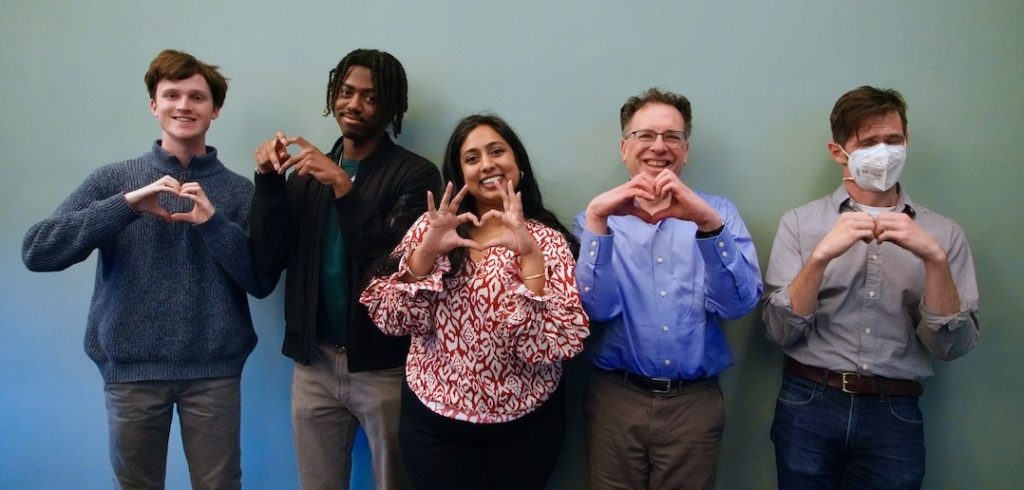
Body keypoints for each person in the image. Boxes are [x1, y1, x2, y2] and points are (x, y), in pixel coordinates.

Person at [22, 49, 270, 489]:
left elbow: (259, 280)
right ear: (154, 105)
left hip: (213, 372)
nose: (183, 106)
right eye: (171, 95)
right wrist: (125, 207)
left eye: (196, 97)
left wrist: (213, 224)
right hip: (131, 371)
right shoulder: (113, 180)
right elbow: (38, 251)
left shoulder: (238, 191)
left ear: (215, 109)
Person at [762, 86, 980, 489]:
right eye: (868, 143)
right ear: (838, 151)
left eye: (893, 141)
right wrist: (820, 258)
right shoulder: (800, 223)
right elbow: (780, 331)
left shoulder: (943, 234)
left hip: (894, 410)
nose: (884, 153)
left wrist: (935, 260)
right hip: (809, 398)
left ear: (907, 141)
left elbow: (953, 347)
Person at [360, 114, 590, 490]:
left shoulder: (547, 240)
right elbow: (391, 319)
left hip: (524, 427)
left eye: (497, 151)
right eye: (472, 158)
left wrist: (530, 260)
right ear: (459, 173)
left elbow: (552, 345)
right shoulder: (432, 227)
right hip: (435, 424)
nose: (487, 164)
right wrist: (426, 252)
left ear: (518, 163)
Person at [250, 48, 439, 489]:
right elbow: (267, 261)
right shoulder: (305, 174)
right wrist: (269, 183)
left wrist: (342, 185)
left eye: (370, 97)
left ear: (390, 107)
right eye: (346, 92)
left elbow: (389, 267)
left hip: (384, 367)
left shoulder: (416, 175)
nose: (354, 104)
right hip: (313, 361)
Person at [573, 88, 762, 490]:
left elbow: (739, 304)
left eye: (672, 137)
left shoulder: (720, 213)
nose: (659, 147)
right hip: (615, 400)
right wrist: (596, 223)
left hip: (693, 405)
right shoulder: (596, 220)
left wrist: (709, 226)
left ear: (686, 150)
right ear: (625, 147)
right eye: (645, 135)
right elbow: (595, 311)